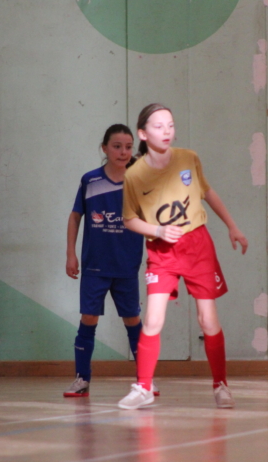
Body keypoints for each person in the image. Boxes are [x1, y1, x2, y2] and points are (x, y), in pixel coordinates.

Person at [117, 103, 248, 410]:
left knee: (208, 319)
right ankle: (143, 388)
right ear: (143, 134)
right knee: (153, 319)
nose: (166, 131)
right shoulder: (134, 175)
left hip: (197, 245)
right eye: (158, 126)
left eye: (170, 125)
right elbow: (129, 219)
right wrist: (158, 231)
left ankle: (220, 385)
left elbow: (208, 192)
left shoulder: (189, 158)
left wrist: (232, 226)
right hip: (162, 250)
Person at [64, 123, 156, 398]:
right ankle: (81, 379)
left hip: (127, 265)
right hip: (95, 265)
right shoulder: (90, 180)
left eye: (128, 147)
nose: (123, 152)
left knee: (132, 320)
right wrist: (70, 253)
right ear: (104, 148)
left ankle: (146, 380)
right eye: (117, 146)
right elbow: (75, 217)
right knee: (88, 318)